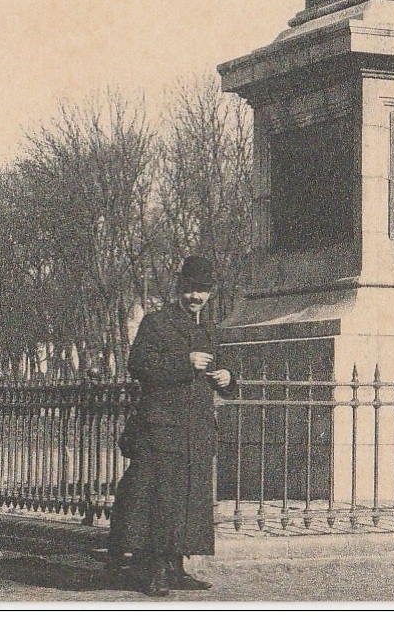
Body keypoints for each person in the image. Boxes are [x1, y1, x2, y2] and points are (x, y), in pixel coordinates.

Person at [109, 256, 237, 597]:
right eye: (191, 289)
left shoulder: (208, 330)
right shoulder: (157, 322)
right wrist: (185, 362)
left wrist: (228, 378)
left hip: (196, 429)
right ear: (180, 288)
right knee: (160, 500)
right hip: (162, 427)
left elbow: (223, 370)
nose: (196, 296)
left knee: (189, 501)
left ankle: (177, 567)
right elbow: (139, 364)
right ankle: (153, 570)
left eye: (203, 290)